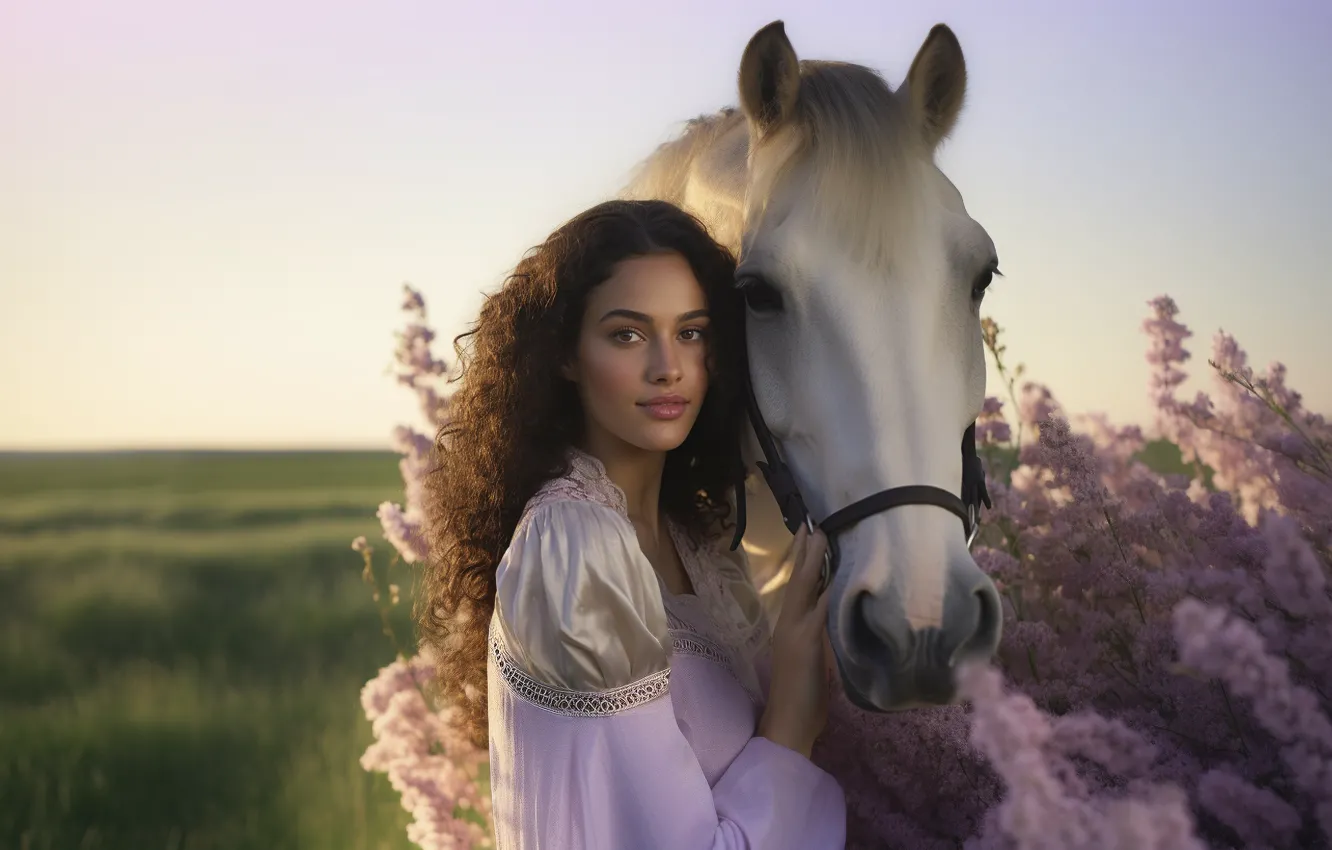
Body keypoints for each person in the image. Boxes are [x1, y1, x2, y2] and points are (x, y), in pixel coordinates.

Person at [416, 198, 846, 848]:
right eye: (628, 334)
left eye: (692, 332)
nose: (667, 365)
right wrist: (791, 721)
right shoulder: (575, 551)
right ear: (564, 354)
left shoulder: (696, 546)